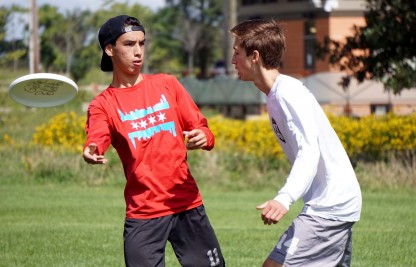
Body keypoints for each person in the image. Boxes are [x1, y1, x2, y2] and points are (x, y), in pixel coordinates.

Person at [82, 15, 225, 267]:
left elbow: (202, 128)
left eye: (142, 43)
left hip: (186, 203)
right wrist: (93, 148)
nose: (138, 52)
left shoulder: (167, 84)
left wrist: (204, 136)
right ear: (109, 49)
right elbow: (98, 133)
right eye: (129, 44)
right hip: (143, 212)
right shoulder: (102, 104)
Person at [230, 19, 362, 267]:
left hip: (329, 205)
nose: (232, 61)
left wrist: (284, 198)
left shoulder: (288, 93)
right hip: (334, 203)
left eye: (237, 53)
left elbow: (309, 151)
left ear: (254, 56)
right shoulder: (275, 96)